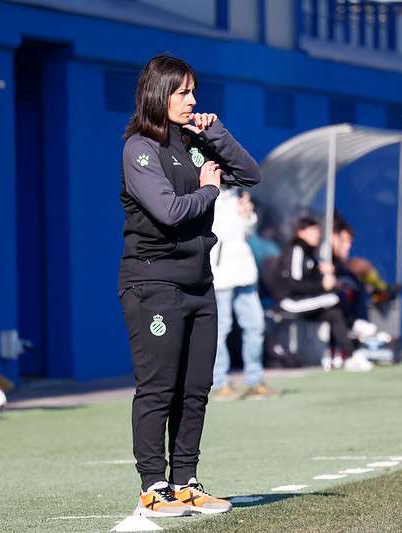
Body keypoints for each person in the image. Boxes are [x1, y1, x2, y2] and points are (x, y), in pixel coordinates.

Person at [118, 54, 260, 516]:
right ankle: (152, 487)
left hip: (199, 284)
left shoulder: (196, 140)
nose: (192, 100)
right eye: (182, 92)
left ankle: (186, 481)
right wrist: (208, 190)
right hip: (153, 284)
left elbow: (251, 174)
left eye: (193, 91)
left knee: (195, 387)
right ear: (159, 94)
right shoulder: (139, 148)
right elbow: (170, 211)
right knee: (158, 387)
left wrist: (215, 133)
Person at [273, 217, 373, 372]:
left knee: (334, 314)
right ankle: (353, 324)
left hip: (303, 301)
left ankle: (353, 356)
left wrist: (323, 272)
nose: (317, 234)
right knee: (334, 297)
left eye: (318, 231)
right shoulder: (297, 250)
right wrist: (322, 285)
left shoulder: (310, 252)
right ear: (301, 232)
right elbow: (294, 284)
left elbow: (309, 278)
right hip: (290, 302)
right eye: (313, 231)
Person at [210, 189, 274, 400]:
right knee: (220, 330)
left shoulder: (239, 195)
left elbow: (248, 231)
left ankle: (254, 381)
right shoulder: (206, 194)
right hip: (221, 277)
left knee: (255, 326)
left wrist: (247, 214)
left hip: (245, 273)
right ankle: (220, 383)